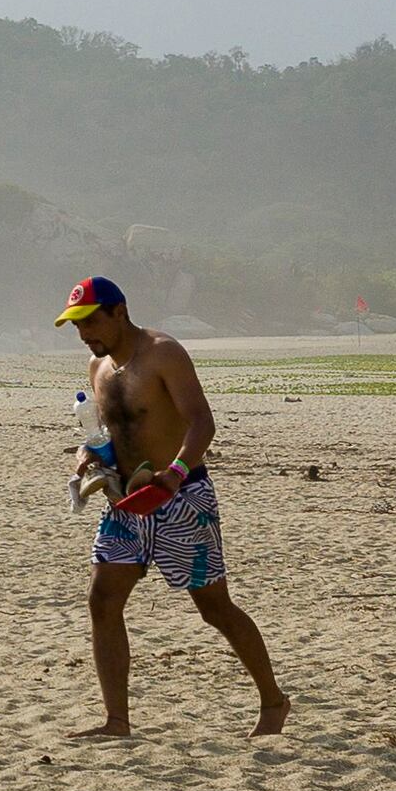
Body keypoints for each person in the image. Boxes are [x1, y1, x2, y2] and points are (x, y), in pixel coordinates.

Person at [56, 275, 291, 741]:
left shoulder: (164, 353)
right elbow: (109, 432)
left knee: (214, 608)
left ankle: (274, 702)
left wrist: (177, 472)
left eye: (90, 321)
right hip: (125, 500)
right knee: (102, 601)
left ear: (119, 311)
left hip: (181, 496)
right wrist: (87, 456)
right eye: (76, 325)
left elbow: (202, 422)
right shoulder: (97, 369)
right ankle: (116, 722)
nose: (84, 333)